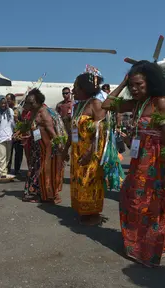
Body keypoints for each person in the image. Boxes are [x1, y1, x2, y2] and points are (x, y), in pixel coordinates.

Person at [102, 61, 165, 267]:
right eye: (132, 85)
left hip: (157, 162)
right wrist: (123, 82)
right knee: (130, 200)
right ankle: (137, 244)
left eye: (139, 84)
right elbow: (107, 105)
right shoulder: (137, 104)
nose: (135, 89)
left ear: (150, 82)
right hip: (139, 159)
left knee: (153, 205)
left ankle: (151, 249)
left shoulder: (161, 103)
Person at [66, 66, 107, 225]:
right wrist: (65, 149)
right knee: (78, 181)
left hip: (91, 152)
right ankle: (83, 210)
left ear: (85, 89)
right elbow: (73, 130)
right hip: (77, 152)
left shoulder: (95, 104)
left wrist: (90, 151)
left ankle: (93, 213)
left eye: (75, 87)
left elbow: (102, 130)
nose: (72, 90)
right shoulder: (77, 106)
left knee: (90, 181)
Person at [21, 88, 68, 203]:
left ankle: (49, 195)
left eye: (31, 103)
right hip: (38, 149)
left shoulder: (44, 113)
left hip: (48, 149)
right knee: (37, 171)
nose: (29, 105)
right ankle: (38, 193)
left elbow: (52, 131)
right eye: (27, 102)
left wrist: (62, 148)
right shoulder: (34, 112)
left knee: (46, 172)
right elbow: (31, 128)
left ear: (39, 102)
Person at [6, 93, 23, 175]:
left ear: (13, 100)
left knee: (18, 153)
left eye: (8, 100)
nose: (6, 102)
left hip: (18, 134)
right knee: (8, 152)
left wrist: (16, 120)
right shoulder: (5, 109)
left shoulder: (19, 109)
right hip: (8, 134)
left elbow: (23, 122)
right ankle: (7, 169)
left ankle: (17, 169)